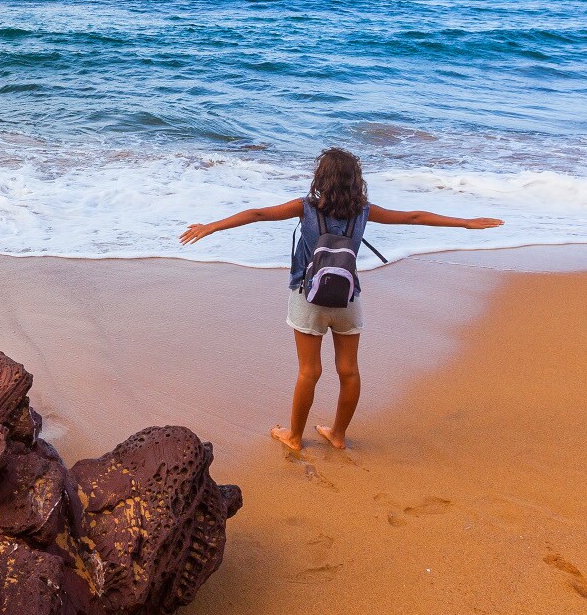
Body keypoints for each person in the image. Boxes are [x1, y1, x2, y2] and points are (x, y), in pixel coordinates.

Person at [178, 147, 502, 453]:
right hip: (348, 300)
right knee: (349, 371)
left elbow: (259, 213)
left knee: (309, 371)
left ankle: (293, 437)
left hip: (309, 299)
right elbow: (414, 217)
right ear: (355, 180)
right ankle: (337, 435)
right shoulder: (363, 211)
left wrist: (212, 226)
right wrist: (465, 222)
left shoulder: (304, 208)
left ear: (321, 179)